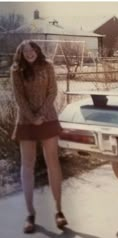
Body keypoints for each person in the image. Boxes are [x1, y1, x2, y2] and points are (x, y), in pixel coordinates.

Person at [10, 40, 68, 233]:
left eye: (32, 49)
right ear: (21, 54)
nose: (29, 53)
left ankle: (59, 211)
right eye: (25, 50)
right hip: (26, 121)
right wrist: (32, 118)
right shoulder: (16, 71)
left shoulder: (48, 66)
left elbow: (52, 92)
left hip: (48, 118)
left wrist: (41, 115)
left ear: (37, 51)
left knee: (53, 162)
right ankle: (30, 214)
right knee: (28, 164)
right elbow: (19, 98)